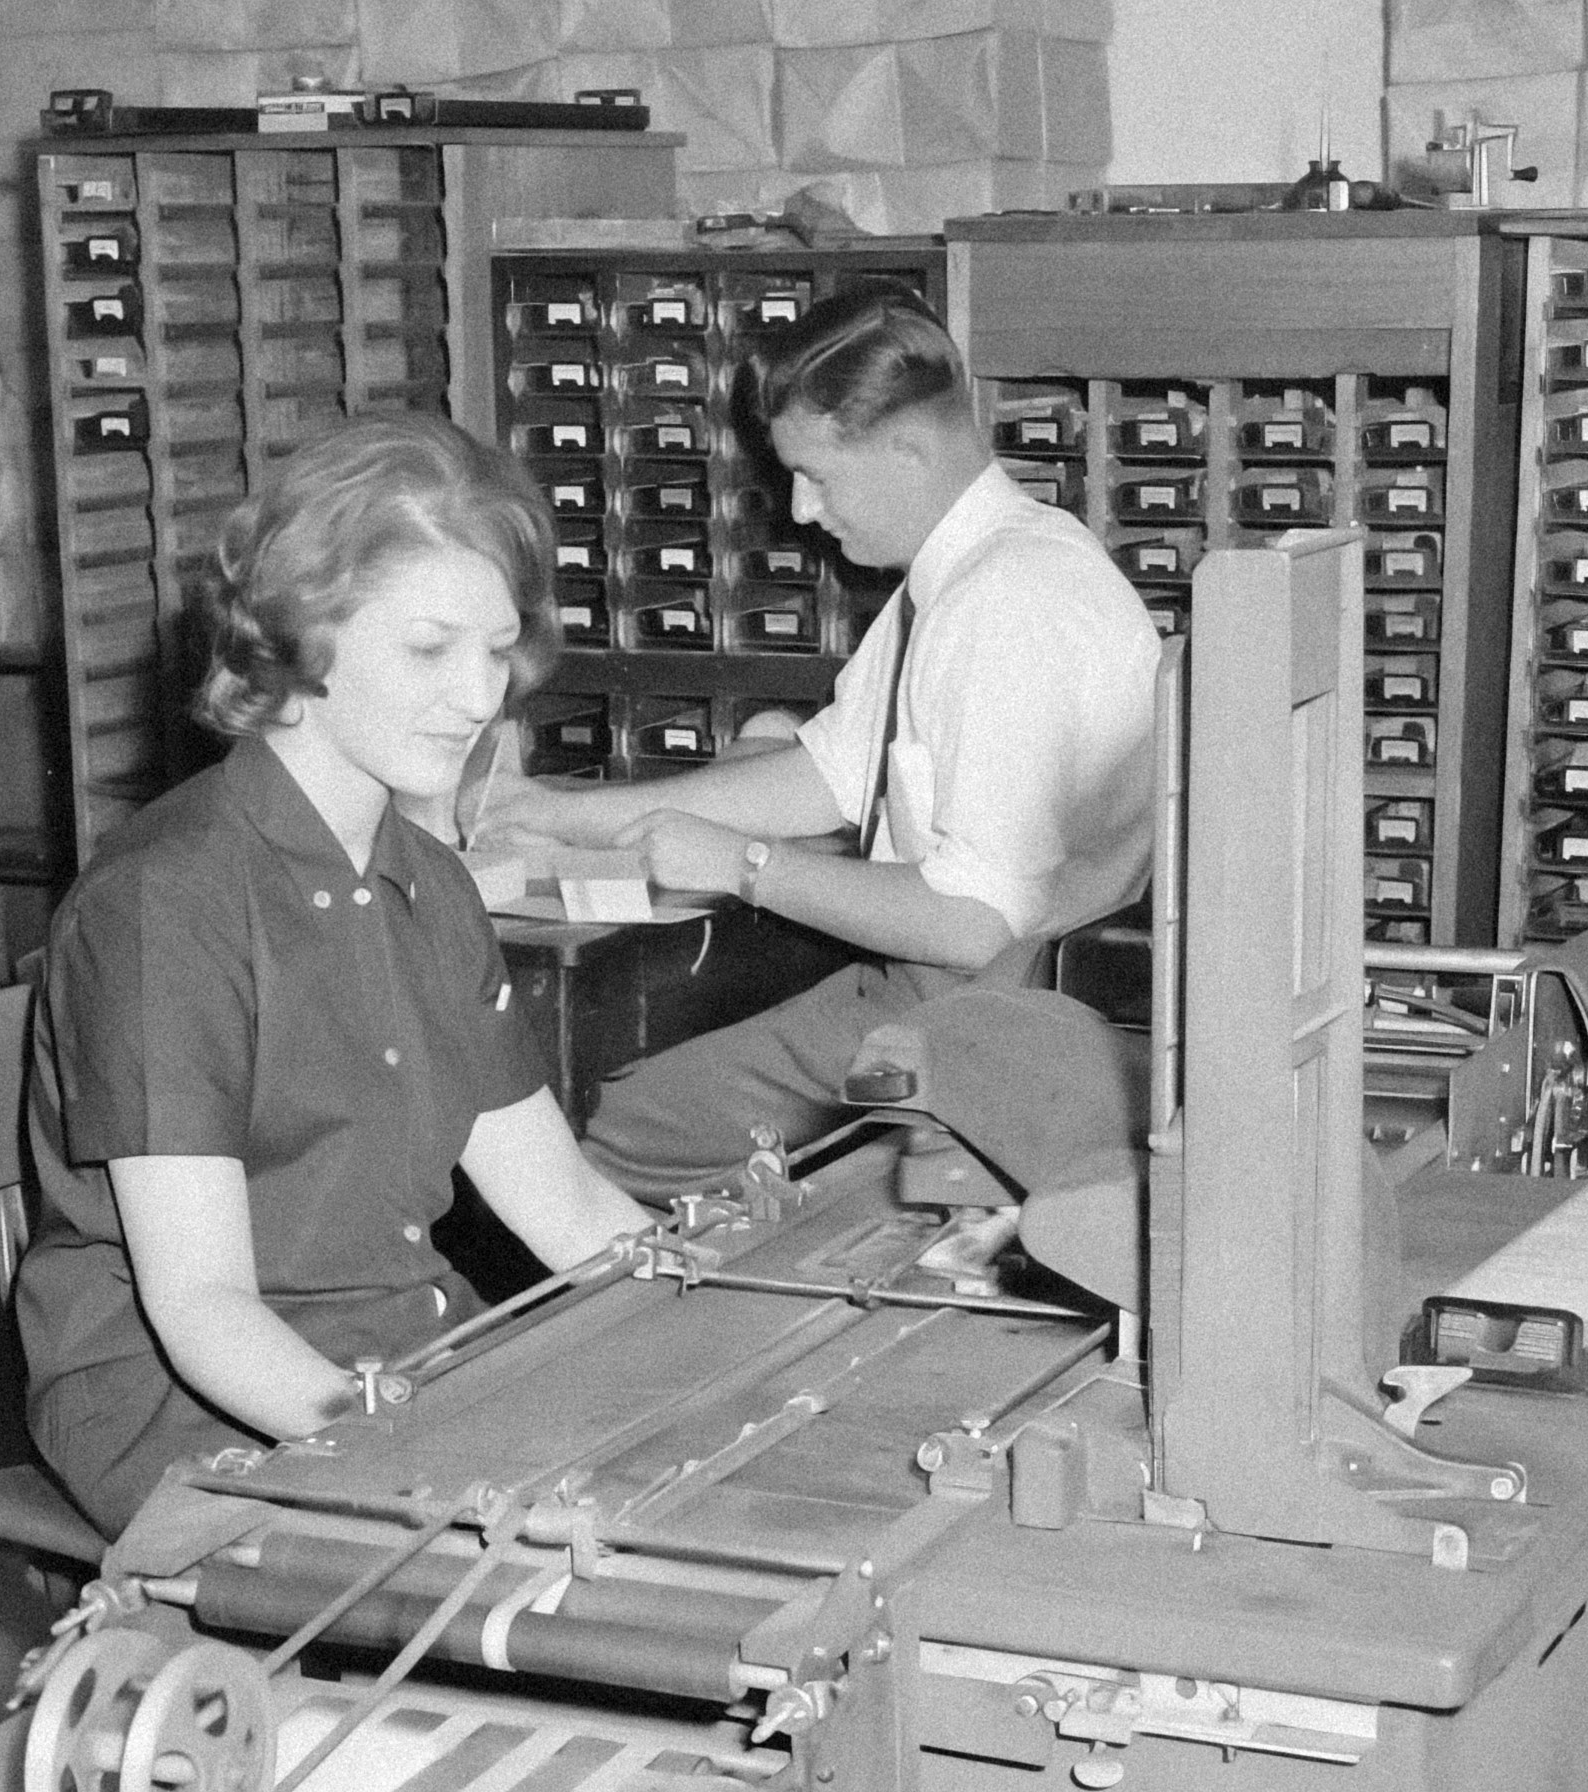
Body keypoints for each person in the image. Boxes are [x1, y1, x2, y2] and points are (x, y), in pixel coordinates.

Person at [15, 415, 653, 1536]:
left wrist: (723, 1302)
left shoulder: (429, 886)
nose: (479, 698)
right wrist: (411, 1462)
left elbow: (561, 1202)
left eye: (496, 649)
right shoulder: (168, 904)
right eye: (429, 649)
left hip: (394, 1344)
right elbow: (202, 1307)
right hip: (187, 1396)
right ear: (300, 636)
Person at [481, 284, 1163, 1201]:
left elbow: (971, 924)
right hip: (962, 984)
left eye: (818, 476)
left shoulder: (1006, 603)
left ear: (907, 451)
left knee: (594, 1134)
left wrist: (743, 865)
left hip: (985, 1013)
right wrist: (565, 816)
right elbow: (827, 776)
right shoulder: (984, 564)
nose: (801, 510)